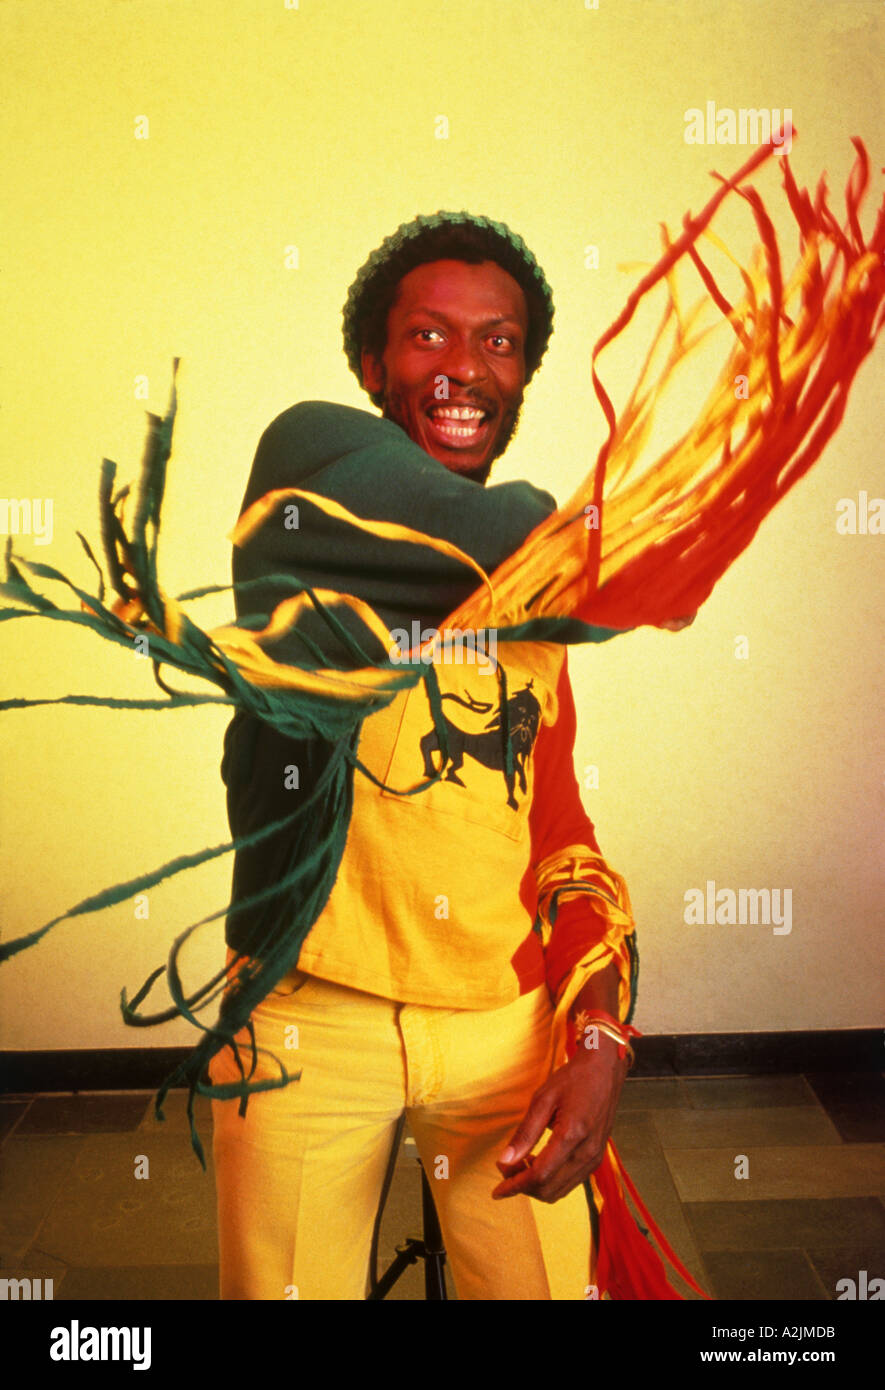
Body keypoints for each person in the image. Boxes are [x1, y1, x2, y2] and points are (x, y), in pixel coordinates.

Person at [209, 213, 692, 1301]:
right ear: (373, 363)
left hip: (499, 1035)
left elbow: (561, 841)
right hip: (301, 1017)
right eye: (428, 337)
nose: (465, 367)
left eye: (500, 343)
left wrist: (602, 1034)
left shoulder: (540, 612)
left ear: (522, 375)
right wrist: (653, 533)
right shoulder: (311, 474)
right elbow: (505, 530)